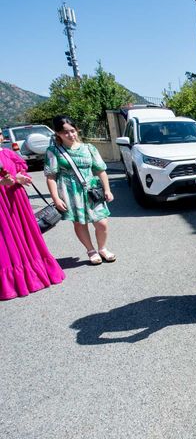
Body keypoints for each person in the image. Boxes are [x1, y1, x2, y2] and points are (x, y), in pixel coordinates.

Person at [45, 115, 116, 265]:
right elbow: (51, 176)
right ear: (58, 133)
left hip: (91, 190)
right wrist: (56, 199)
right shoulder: (54, 151)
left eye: (72, 131)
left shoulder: (89, 148)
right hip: (70, 192)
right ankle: (91, 250)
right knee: (79, 223)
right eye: (65, 132)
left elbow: (100, 170)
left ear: (77, 130)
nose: (70, 135)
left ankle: (102, 248)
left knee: (102, 222)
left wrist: (107, 190)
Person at [0, 142, 65, 300]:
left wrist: (21, 178)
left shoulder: (8, 153)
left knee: (26, 236)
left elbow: (21, 172)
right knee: (5, 242)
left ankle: (35, 276)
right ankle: (12, 284)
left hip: (17, 200)